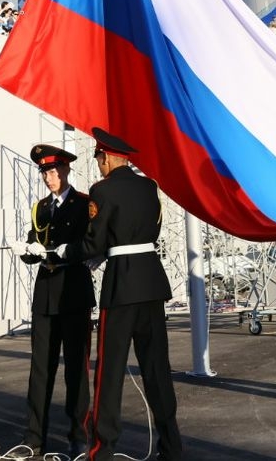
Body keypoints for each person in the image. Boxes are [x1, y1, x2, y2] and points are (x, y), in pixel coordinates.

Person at [78, 127, 183, 460]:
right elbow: (151, 230)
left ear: (106, 158)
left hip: (121, 286)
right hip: (151, 282)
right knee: (157, 370)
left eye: (98, 159)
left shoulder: (102, 191)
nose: (98, 165)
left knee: (110, 373)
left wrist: (65, 252)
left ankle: (102, 449)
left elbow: (94, 243)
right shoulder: (149, 188)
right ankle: (171, 446)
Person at [17, 143, 95, 457]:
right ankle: (34, 437)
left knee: (76, 368)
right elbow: (35, 244)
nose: (49, 177)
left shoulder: (84, 204)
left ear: (65, 170)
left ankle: (78, 436)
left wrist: (59, 251)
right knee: (40, 369)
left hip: (73, 291)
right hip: (46, 293)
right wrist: (26, 252)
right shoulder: (41, 208)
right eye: (44, 172)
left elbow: (88, 244)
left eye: (52, 171)